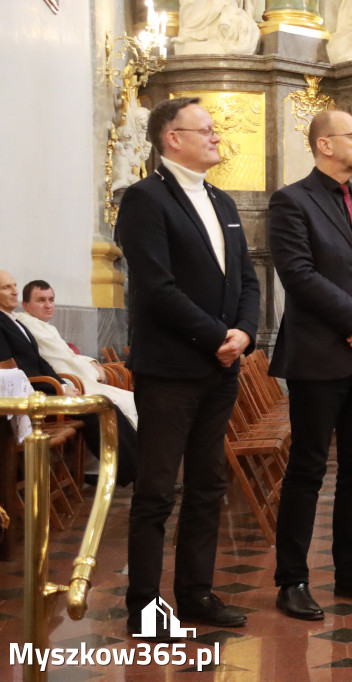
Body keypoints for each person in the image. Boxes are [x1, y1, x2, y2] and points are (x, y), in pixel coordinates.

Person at [116, 97, 261, 638]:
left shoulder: (222, 201)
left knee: (208, 484)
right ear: (172, 137)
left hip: (221, 367)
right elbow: (155, 287)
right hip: (171, 369)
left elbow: (247, 279)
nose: (216, 137)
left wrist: (244, 335)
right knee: (157, 490)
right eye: (206, 129)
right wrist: (216, 335)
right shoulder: (145, 199)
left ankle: (196, 592)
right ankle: (145, 607)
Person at [268, 109, 352, 619]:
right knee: (307, 469)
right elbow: (299, 275)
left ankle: (351, 571)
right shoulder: (291, 201)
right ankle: (292, 580)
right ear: (324, 145)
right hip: (319, 354)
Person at [0, 270, 139, 487]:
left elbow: (42, 362)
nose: (13, 291)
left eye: (14, 285)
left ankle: (135, 469)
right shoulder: (5, 322)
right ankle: (124, 472)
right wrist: (59, 388)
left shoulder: (14, 321)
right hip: (35, 394)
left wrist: (63, 385)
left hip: (50, 387)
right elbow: (18, 371)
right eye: (6, 287)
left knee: (108, 406)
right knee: (97, 407)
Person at [17, 280, 138, 428]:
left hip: (74, 380)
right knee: (126, 402)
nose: (48, 305)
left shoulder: (43, 325)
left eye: (51, 300)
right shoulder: (32, 326)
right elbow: (63, 363)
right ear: (25, 305)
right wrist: (93, 370)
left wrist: (91, 362)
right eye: (41, 300)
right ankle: (128, 449)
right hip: (68, 385)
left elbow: (67, 355)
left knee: (131, 399)